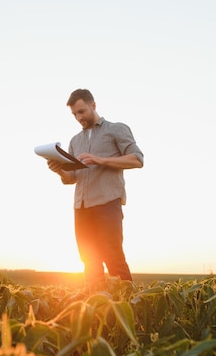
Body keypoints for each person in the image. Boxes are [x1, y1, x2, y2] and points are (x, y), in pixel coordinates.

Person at [46, 88, 144, 287]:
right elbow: (71, 178)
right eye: (74, 114)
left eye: (81, 112)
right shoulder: (75, 141)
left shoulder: (116, 129)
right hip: (81, 207)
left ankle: (130, 311)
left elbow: (137, 159)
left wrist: (101, 160)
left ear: (93, 105)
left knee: (113, 258)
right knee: (89, 263)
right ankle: (97, 310)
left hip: (107, 202)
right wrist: (59, 170)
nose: (78, 117)